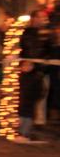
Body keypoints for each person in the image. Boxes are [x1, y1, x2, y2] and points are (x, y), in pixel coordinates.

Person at [15, 10, 50, 142]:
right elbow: (23, 48)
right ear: (34, 18)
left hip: (40, 69)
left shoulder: (46, 34)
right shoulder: (26, 32)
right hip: (27, 68)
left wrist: (44, 63)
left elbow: (48, 50)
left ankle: (37, 122)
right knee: (25, 97)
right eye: (40, 17)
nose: (42, 20)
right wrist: (25, 63)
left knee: (40, 95)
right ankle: (23, 127)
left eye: (43, 18)